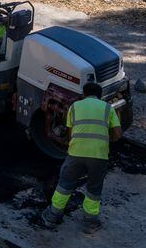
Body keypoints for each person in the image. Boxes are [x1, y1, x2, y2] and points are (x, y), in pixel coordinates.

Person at [41, 82, 123, 234]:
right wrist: (106, 138)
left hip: (76, 154)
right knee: (94, 189)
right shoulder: (107, 108)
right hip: (99, 156)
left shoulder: (74, 107)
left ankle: (52, 217)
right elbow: (118, 134)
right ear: (99, 96)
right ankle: (90, 223)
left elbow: (70, 134)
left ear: (84, 94)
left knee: (65, 185)